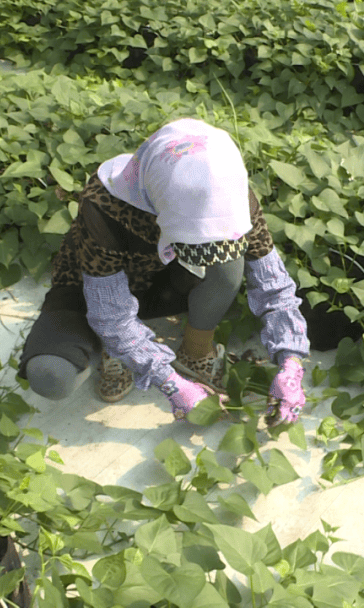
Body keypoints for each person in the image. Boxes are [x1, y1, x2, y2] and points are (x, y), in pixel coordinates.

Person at [17, 118, 310, 424]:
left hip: (164, 279)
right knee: (51, 375)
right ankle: (110, 349)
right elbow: (112, 316)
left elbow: (273, 284)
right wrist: (170, 383)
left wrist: (292, 363)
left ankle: (196, 350)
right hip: (92, 290)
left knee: (229, 264)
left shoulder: (229, 193)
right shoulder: (105, 202)